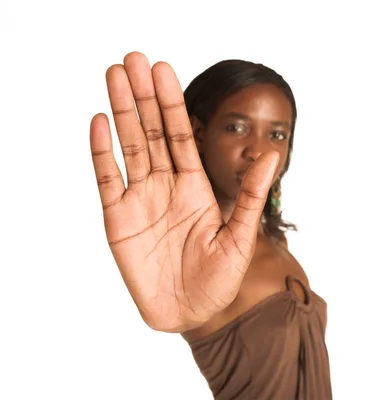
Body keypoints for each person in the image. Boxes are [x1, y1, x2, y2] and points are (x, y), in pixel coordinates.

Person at [89, 51, 332, 399]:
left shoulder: (272, 236)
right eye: (237, 127)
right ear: (199, 134)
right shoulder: (190, 256)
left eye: (277, 135)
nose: (258, 151)